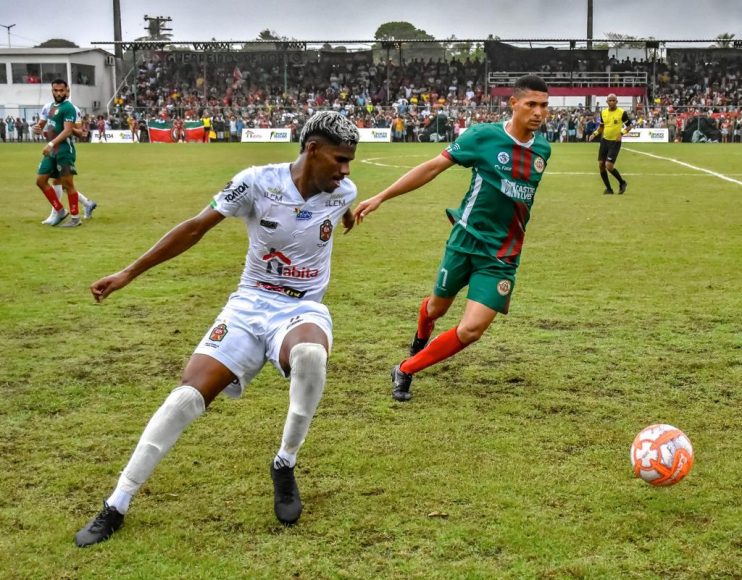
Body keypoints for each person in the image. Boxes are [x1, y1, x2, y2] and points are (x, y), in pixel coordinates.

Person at [74, 111, 360, 547]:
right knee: (185, 399)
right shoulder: (256, 182)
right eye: (339, 160)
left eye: (350, 163)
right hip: (248, 306)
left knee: (310, 356)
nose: (345, 172)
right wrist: (128, 274)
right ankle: (117, 502)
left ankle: (284, 463)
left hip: (301, 309)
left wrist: (349, 214)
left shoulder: (342, 190)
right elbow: (194, 228)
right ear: (312, 149)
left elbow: (337, 209)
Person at [353, 75, 551, 402]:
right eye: (531, 104)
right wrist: (382, 196)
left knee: (472, 329)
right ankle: (421, 334)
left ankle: (405, 368)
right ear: (513, 103)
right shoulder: (482, 137)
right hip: (464, 241)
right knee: (435, 309)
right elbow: (432, 168)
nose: (538, 112)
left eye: (544, 105)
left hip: (501, 255)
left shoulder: (543, 149)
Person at [34, 89, 98, 225]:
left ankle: (61, 214)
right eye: (56, 90)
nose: (60, 93)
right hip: (52, 150)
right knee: (48, 181)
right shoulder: (48, 107)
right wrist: (37, 128)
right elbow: (42, 125)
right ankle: (83, 204)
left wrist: (67, 128)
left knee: (62, 183)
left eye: (63, 91)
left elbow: (80, 133)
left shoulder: (73, 109)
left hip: (63, 150)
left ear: (67, 92)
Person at [588, 94, 631, 194]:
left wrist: (621, 133)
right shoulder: (603, 113)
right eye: (609, 100)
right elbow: (601, 127)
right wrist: (594, 134)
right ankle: (609, 189)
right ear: (607, 102)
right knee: (601, 165)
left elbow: (629, 126)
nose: (611, 102)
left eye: (613, 100)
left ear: (616, 101)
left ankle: (622, 182)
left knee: (609, 165)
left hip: (615, 142)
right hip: (605, 141)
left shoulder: (622, 113)